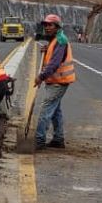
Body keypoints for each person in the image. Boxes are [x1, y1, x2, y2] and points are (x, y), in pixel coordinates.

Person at [33, 13, 76, 150]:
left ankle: (39, 140)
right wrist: (46, 50)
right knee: (55, 110)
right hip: (55, 80)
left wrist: (41, 76)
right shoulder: (54, 40)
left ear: (57, 27)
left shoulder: (61, 40)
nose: (47, 27)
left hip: (59, 81)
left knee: (46, 109)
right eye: (45, 25)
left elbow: (54, 63)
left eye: (50, 25)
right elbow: (53, 56)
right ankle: (58, 139)